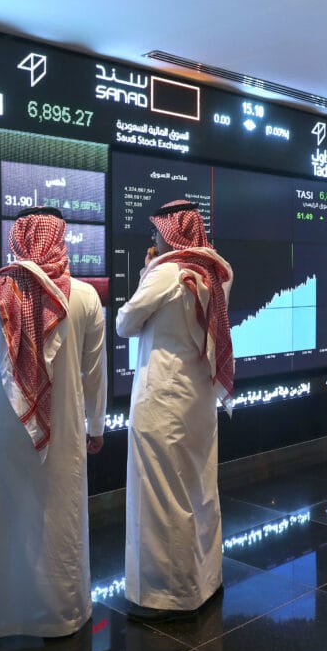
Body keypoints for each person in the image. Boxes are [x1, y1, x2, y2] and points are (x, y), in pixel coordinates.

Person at [0, 206, 107, 645]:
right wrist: (97, 426)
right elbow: (95, 373)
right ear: (60, 238)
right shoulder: (85, 296)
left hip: (0, 432)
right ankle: (59, 619)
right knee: (56, 523)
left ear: (19, 238)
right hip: (64, 433)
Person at [116, 199, 234, 622]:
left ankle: (167, 596)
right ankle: (205, 581)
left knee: (162, 497)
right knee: (199, 490)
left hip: (162, 400)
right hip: (198, 399)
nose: (154, 238)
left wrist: (147, 272)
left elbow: (125, 323)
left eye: (157, 231)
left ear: (171, 233)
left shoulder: (166, 273)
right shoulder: (217, 271)